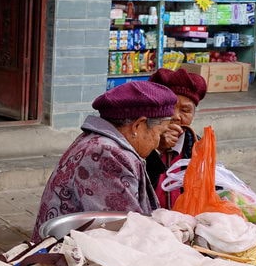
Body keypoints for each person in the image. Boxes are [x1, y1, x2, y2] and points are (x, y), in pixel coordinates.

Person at [30, 81, 178, 243]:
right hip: (67, 255)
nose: (158, 142)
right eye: (159, 132)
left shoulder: (102, 142)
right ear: (138, 125)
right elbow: (127, 231)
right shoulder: (107, 154)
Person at [145, 68, 207, 209]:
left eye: (185, 110)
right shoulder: (139, 140)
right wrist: (157, 149)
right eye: (170, 108)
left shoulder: (198, 144)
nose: (176, 116)